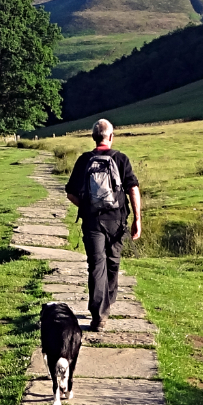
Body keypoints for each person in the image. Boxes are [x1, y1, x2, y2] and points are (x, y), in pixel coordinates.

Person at [65, 119, 142, 331]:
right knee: (113, 263)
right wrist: (137, 218)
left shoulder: (84, 160)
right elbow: (132, 189)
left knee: (96, 265)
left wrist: (87, 205)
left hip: (92, 222)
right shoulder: (120, 159)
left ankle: (99, 315)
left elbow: (71, 192)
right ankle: (107, 303)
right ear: (111, 137)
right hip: (116, 220)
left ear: (93, 137)